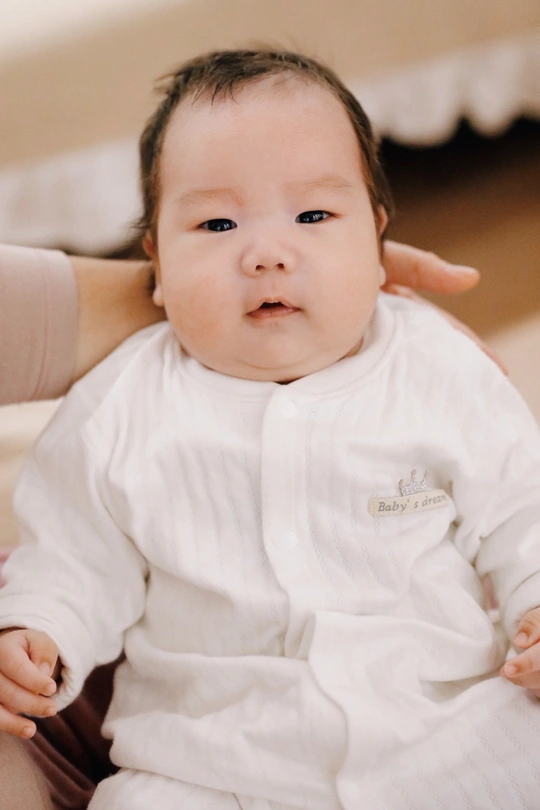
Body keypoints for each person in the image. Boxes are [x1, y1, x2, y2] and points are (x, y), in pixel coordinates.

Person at [0, 49, 538, 809]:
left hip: (448, 729)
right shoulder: (118, 404)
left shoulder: (438, 366)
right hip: (211, 760)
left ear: (378, 243)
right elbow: (72, 557)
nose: (266, 255)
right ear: (155, 262)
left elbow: (522, 509)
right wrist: (39, 632)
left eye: (314, 216)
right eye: (216, 223)